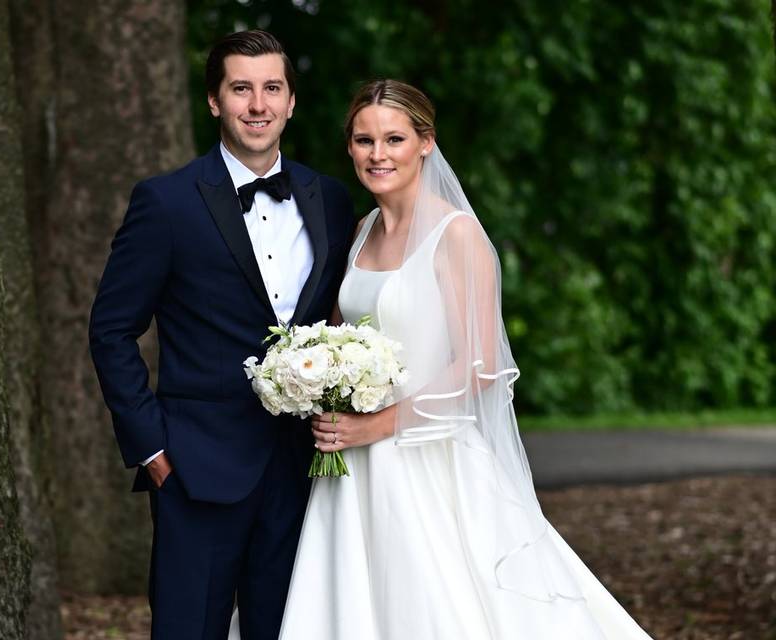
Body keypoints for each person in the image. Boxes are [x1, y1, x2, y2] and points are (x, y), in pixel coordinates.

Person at [276, 80, 654, 639]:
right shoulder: (359, 234)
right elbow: (340, 337)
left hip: (428, 456)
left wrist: (377, 424)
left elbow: (478, 364)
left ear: (425, 143)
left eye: (394, 139)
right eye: (363, 140)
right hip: (352, 467)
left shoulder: (456, 234)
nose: (378, 154)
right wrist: (318, 381)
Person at [88, 30, 356, 639]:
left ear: (291, 101)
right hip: (194, 469)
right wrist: (152, 450)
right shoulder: (166, 202)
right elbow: (111, 330)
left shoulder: (332, 201)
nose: (257, 104)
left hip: (305, 472)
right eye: (241, 88)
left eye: (272, 88)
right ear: (214, 100)